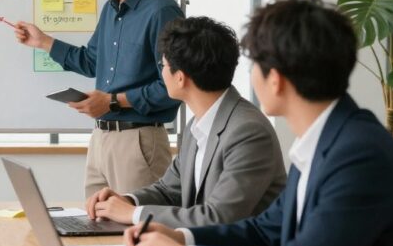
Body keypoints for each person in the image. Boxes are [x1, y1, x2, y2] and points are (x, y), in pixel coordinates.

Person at [126, 0, 393, 246]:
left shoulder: (359, 155)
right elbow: (264, 230)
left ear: (274, 79)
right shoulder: (328, 140)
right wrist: (181, 237)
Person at [15, 0, 183, 196]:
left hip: (138, 140)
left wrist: (113, 101)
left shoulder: (161, 11)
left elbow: (174, 85)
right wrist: (43, 41)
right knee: (94, 226)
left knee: (135, 232)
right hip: (101, 138)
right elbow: (90, 61)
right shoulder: (111, 8)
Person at [85, 16, 286, 227]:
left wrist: (133, 214)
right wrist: (126, 200)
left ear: (180, 77)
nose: (161, 73)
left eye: (162, 65)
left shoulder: (247, 131)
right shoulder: (197, 125)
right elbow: (168, 190)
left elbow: (218, 217)